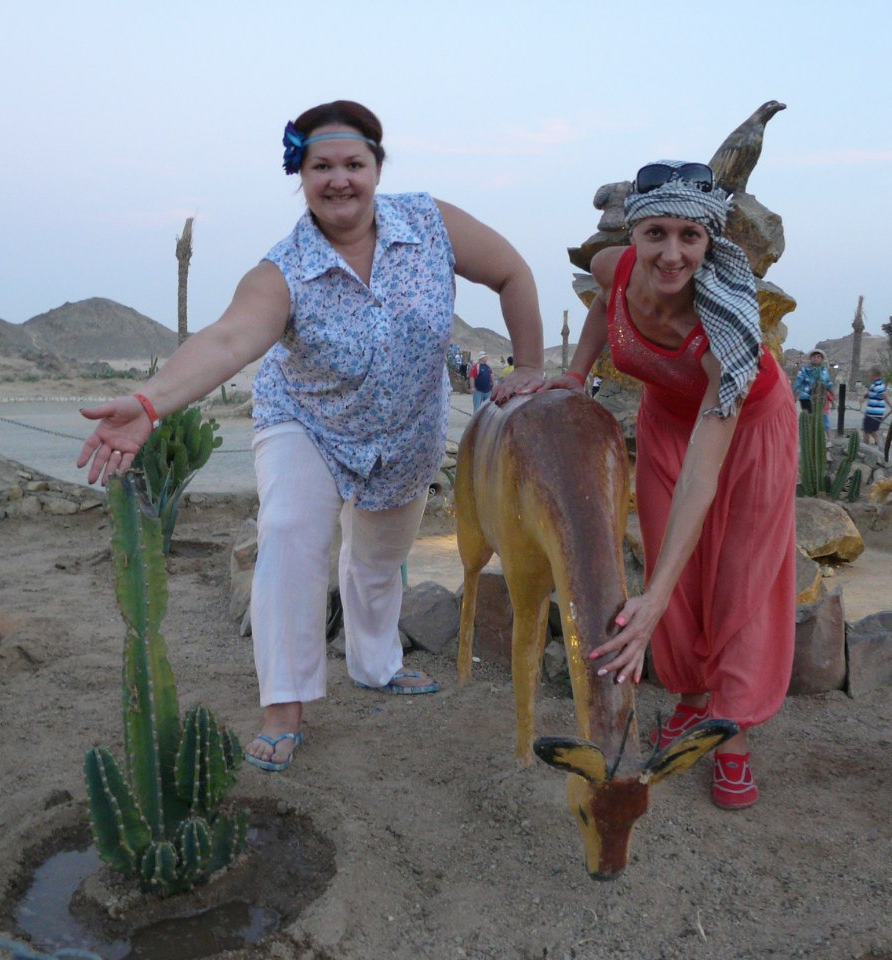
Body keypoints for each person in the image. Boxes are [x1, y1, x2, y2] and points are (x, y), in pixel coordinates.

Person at [77, 99, 545, 773]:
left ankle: (375, 662)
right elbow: (230, 338)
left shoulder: (430, 223)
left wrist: (529, 367)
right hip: (307, 422)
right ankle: (284, 704)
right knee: (291, 536)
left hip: (405, 432)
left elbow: (512, 273)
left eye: (353, 163)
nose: (339, 179)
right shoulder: (285, 268)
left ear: (377, 167)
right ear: (301, 175)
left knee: (377, 561)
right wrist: (151, 403)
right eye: (322, 166)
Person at [541, 160, 796, 809]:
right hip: (666, 421)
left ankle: (730, 732)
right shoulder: (616, 267)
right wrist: (575, 374)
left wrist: (646, 602)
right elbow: (602, 308)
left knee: (738, 576)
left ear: (710, 241)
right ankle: (691, 699)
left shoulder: (722, 332)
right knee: (670, 571)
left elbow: (701, 479)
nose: (672, 254)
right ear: (635, 235)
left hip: (748, 427)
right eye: (656, 233)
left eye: (690, 236)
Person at [793, 349, 835, 431]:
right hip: (806, 397)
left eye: (818, 357)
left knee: (821, 418)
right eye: (814, 357)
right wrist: (794, 394)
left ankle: (821, 436)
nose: (816, 358)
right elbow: (798, 382)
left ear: (821, 359)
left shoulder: (824, 370)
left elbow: (828, 383)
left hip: (820, 397)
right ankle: (808, 436)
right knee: (809, 418)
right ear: (811, 358)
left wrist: (834, 395)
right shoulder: (804, 370)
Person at [860, 368, 892, 445]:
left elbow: (885, 396)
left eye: (870, 373)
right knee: (870, 431)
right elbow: (871, 392)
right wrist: (864, 397)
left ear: (874, 374)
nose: (869, 375)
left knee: (869, 431)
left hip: (873, 413)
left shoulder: (878, 385)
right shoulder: (875, 384)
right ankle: (877, 445)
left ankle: (873, 446)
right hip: (871, 412)